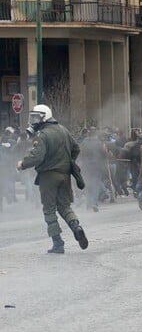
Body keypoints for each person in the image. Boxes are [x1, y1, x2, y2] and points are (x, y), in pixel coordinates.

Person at [16, 104, 88, 253]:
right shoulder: (64, 130)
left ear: (45, 117)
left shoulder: (43, 135)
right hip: (65, 174)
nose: (34, 121)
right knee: (64, 206)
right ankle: (76, 226)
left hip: (48, 176)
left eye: (36, 117)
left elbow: (37, 156)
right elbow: (76, 148)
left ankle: (58, 242)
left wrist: (23, 164)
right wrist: (67, 161)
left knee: (49, 209)